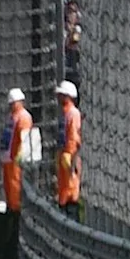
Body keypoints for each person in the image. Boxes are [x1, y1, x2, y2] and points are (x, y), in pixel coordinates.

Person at [1, 86, 35, 213]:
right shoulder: (13, 116)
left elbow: (24, 139)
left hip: (16, 159)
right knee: (9, 186)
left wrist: (19, 157)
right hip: (8, 158)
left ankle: (15, 211)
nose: (11, 106)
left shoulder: (24, 117)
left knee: (15, 186)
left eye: (13, 103)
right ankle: (10, 207)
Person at [52, 80, 84, 211]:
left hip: (69, 158)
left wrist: (70, 158)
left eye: (61, 95)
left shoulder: (73, 114)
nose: (58, 97)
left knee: (70, 192)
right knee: (64, 192)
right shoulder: (65, 114)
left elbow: (74, 138)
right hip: (64, 159)